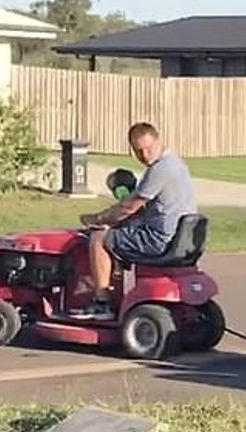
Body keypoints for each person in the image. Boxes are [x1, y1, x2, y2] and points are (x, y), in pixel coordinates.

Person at [75, 122, 197, 318]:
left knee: (98, 239)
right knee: (117, 235)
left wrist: (97, 218)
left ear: (159, 140)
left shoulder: (160, 169)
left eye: (148, 148)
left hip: (159, 240)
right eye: (139, 151)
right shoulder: (176, 163)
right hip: (181, 238)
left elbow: (129, 206)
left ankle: (101, 302)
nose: (145, 155)